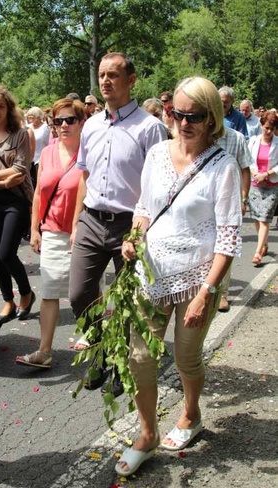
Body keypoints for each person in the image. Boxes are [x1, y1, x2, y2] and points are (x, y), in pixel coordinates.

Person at [116, 76, 242, 477]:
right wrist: (133, 236)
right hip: (150, 271)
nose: (184, 122)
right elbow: (144, 207)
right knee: (139, 358)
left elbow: (227, 238)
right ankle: (148, 433)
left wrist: (207, 292)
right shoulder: (155, 154)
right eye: (178, 113)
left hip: (198, 276)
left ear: (212, 119)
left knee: (186, 357)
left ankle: (190, 414)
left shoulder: (221, 166)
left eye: (195, 116)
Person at [69, 52, 168, 397]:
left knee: (127, 302)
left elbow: (161, 185)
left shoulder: (150, 127)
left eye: (113, 75)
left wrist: (143, 232)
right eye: (101, 74)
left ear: (131, 80)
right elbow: (85, 175)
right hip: (92, 220)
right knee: (79, 293)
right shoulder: (91, 125)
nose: (106, 81)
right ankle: (99, 351)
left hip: (131, 224)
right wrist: (76, 221)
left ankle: (121, 362)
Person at [16, 98, 84, 367]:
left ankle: (95, 335)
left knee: (86, 292)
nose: (64, 125)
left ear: (81, 122)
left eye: (70, 120)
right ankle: (44, 351)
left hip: (85, 233)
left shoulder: (90, 151)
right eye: (58, 121)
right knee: (50, 290)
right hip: (53, 230)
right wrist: (34, 229)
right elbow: (38, 196)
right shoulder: (47, 152)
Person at [0, 85, 35, 323]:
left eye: (1, 106)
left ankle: (26, 293)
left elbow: (21, 170)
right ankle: (7, 301)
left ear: (8, 108)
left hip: (16, 200)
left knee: (5, 253)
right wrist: (3, 180)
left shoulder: (20, 134)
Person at [216, 127, 252, 312]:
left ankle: (222, 294)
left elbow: (245, 169)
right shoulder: (200, 132)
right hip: (204, 200)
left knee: (225, 245)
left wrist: (244, 198)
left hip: (229, 201)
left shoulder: (236, 138)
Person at [247, 111, 278, 265]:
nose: (268, 132)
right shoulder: (253, 141)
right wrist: (255, 173)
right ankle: (264, 243)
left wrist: (266, 174)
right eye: (266, 128)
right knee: (257, 217)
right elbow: (248, 159)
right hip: (255, 184)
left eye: (271, 129)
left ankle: (258, 252)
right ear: (261, 125)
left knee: (265, 218)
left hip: (271, 185)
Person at [25, 107, 50, 188]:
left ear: (39, 117)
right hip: (29, 160)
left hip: (40, 160)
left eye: (32, 116)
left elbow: (48, 144)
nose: (30, 118)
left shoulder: (45, 128)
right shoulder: (27, 127)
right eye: (29, 116)